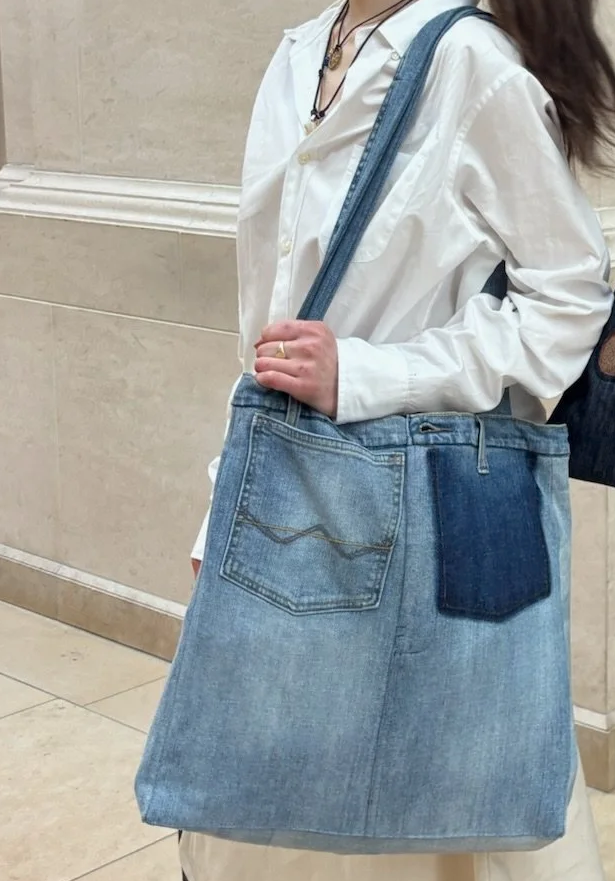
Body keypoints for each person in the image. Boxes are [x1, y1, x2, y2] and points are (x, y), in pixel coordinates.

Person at [181, 0, 615, 878]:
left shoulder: (468, 60)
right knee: (271, 792)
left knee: (439, 792)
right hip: (291, 501)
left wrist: (369, 375)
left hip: (436, 513)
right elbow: (274, 315)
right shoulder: (299, 55)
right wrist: (228, 493)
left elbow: (569, 297)